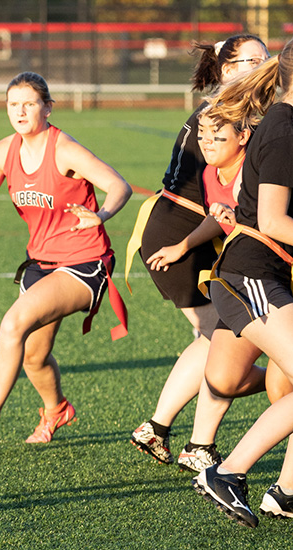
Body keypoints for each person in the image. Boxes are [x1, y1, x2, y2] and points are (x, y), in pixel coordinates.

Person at [0, 72, 131, 449]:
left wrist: (102, 215)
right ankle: (56, 408)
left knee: (12, 326)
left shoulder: (64, 149)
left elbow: (119, 185)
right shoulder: (3, 151)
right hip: (41, 264)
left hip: (84, 262)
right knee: (34, 358)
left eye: (29, 103)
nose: (20, 111)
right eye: (13, 104)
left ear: (48, 107)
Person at [128, 34, 269, 467]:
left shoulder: (227, 107)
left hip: (181, 226)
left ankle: (164, 429)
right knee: (224, 335)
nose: (264, 65)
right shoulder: (230, 113)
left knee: (219, 336)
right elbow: (229, 198)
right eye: (253, 59)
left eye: (266, 58)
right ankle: (193, 442)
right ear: (228, 69)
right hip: (184, 230)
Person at [191, 38, 293, 528]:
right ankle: (226, 472)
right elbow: (272, 221)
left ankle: (287, 492)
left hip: (270, 273)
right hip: (253, 272)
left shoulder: (283, 125)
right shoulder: (282, 129)